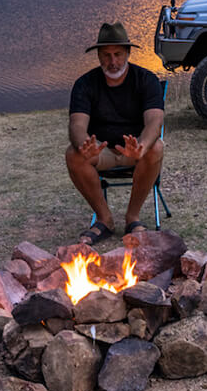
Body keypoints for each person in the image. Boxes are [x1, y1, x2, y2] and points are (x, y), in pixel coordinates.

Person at [65, 21, 164, 244]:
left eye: (118, 54)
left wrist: (142, 145)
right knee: (73, 154)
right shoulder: (85, 84)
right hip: (102, 151)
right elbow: (77, 124)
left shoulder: (146, 79)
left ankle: (133, 218)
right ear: (99, 56)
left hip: (136, 149)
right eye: (106, 55)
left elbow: (155, 120)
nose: (112, 61)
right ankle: (104, 219)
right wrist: (84, 146)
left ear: (128, 53)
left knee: (156, 147)